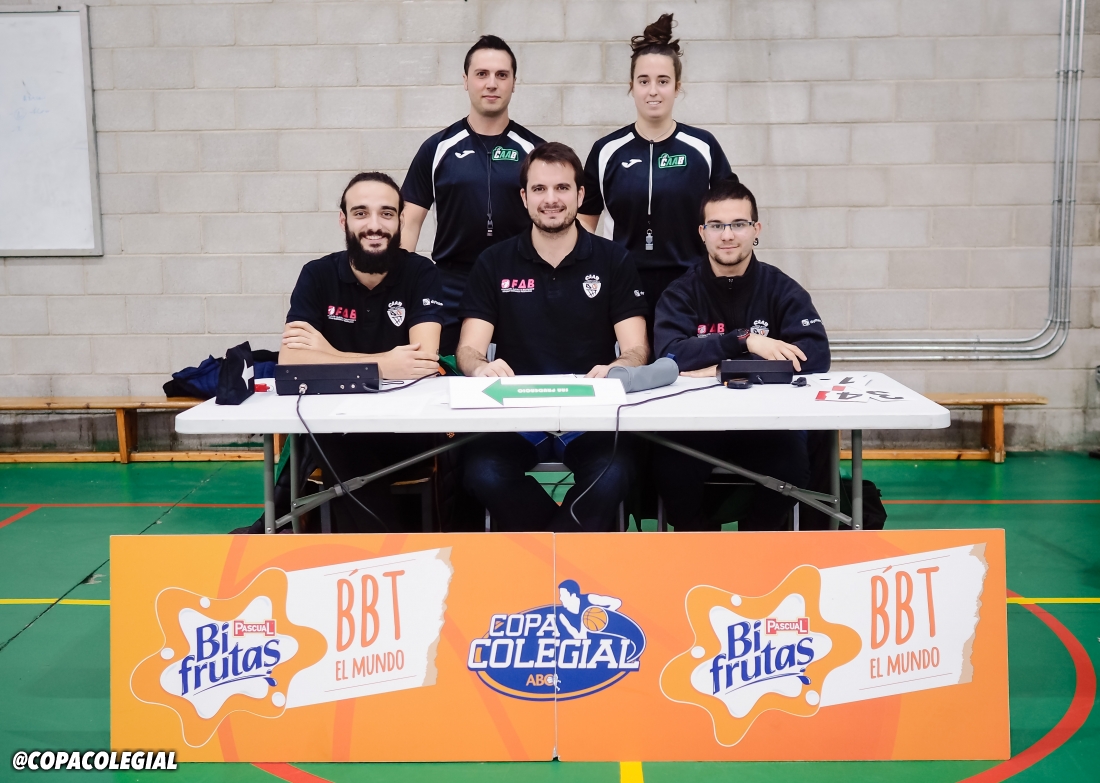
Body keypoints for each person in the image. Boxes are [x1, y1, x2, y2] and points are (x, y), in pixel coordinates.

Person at [456, 142, 649, 532]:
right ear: (524, 197)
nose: (551, 199)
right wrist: (479, 368)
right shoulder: (494, 261)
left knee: (615, 473)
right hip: (516, 417)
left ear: (580, 195)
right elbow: (468, 349)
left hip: (590, 417)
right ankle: (560, 544)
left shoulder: (614, 259)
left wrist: (618, 368)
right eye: (540, 189)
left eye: (562, 188)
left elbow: (637, 349)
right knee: (482, 472)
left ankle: (546, 550)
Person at [651, 176, 830, 531]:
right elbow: (670, 355)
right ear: (702, 233)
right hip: (695, 424)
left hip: (767, 424)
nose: (727, 235)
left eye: (738, 224)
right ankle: (700, 543)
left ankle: (754, 541)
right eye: (717, 225)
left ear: (755, 229)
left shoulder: (782, 289)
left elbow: (814, 355)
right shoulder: (680, 293)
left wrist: (721, 368)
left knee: (792, 465)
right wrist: (746, 341)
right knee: (668, 467)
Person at [280, 172, 444, 533]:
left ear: (400, 220)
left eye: (386, 213)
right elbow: (291, 361)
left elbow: (422, 360)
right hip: (339, 426)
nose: (374, 225)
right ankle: (391, 550)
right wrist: (386, 363)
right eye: (361, 213)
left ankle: (380, 551)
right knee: (334, 439)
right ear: (344, 220)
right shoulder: (317, 275)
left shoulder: (421, 272)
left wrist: (326, 353)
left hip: (406, 429)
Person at [577, 13, 732, 339]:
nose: (653, 91)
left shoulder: (702, 147)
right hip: (624, 286)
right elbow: (584, 225)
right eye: (644, 81)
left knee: (687, 364)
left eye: (663, 81)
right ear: (631, 86)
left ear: (677, 87)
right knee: (633, 363)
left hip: (692, 284)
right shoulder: (607, 150)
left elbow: (729, 216)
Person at [401, 35, 545, 357]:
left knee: (519, 370)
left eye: (501, 75)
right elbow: (409, 222)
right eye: (482, 74)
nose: (491, 83)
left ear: (514, 83)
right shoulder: (437, 148)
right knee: (445, 369)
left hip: (519, 279)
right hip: (451, 283)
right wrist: (400, 283)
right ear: (466, 80)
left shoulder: (535, 151)